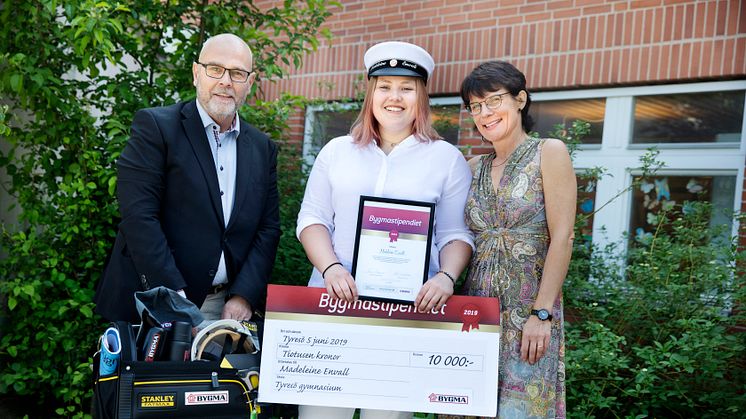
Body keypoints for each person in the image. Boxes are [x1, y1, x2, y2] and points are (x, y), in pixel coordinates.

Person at [295, 41, 474, 419]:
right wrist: (331, 268)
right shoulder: (336, 152)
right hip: (333, 309)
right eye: (385, 86)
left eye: (407, 88)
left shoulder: (446, 160)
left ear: (421, 96)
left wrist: (446, 277)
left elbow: (456, 235)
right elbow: (311, 220)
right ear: (371, 93)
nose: (395, 97)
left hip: (404, 318)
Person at [94, 33, 281, 324]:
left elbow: (268, 229)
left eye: (237, 73)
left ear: (250, 83)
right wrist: (174, 300)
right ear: (196, 73)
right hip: (154, 303)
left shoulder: (262, 148)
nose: (225, 81)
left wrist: (244, 295)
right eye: (215, 69)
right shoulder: (156, 128)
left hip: (226, 309)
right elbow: (139, 216)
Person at [454, 61, 576, 418]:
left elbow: (563, 237)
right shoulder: (471, 168)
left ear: (520, 99)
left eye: (493, 101)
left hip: (528, 317)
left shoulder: (549, 153)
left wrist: (542, 313)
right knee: (465, 407)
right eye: (475, 106)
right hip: (475, 313)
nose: (484, 113)